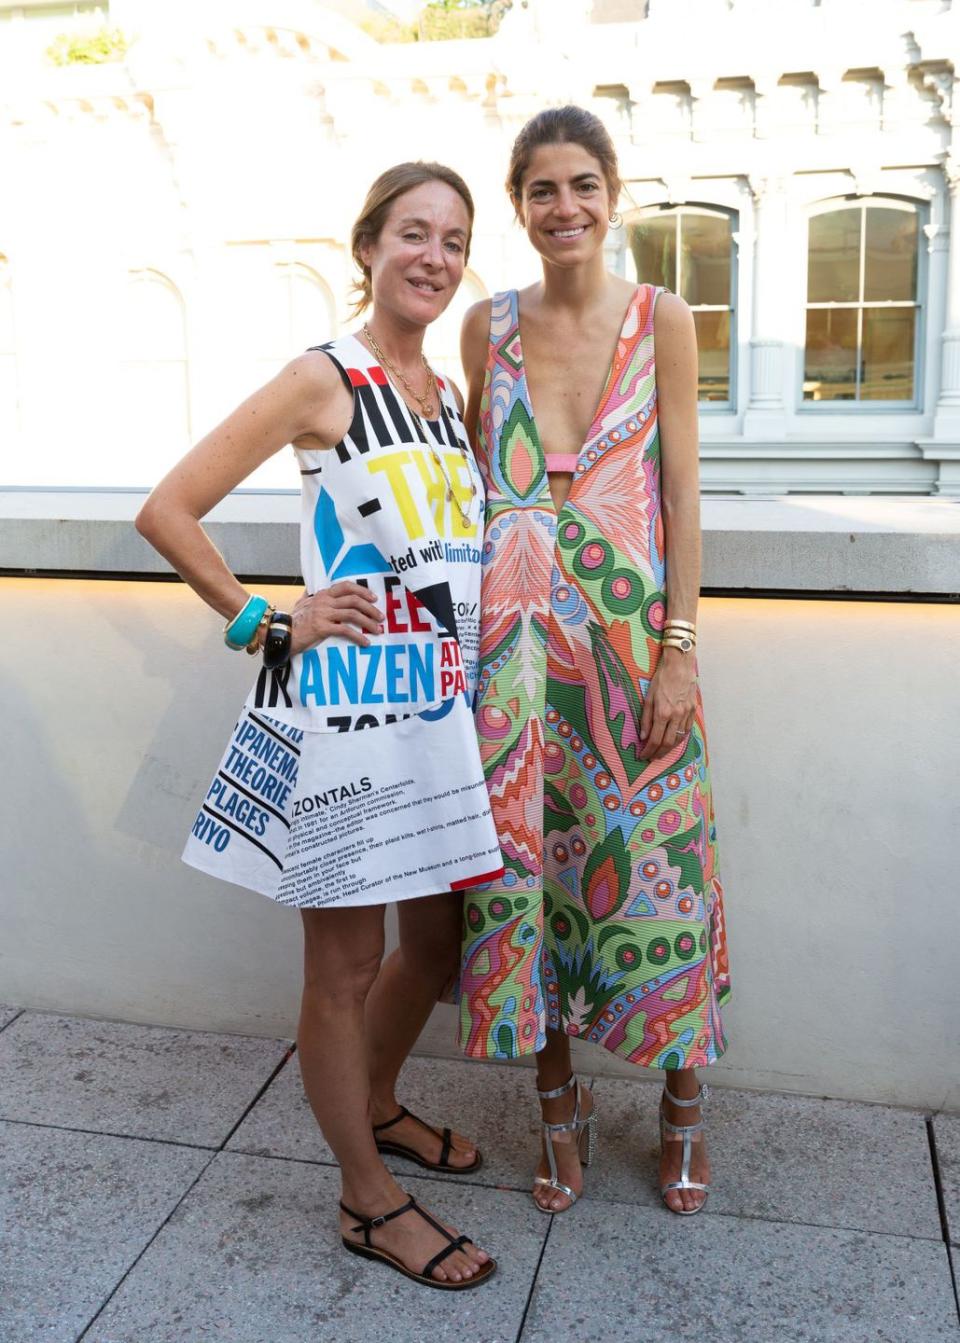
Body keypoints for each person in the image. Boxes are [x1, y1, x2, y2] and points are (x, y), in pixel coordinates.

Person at [136, 162, 500, 1289]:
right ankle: (365, 1196)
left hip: (437, 710)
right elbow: (168, 508)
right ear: (369, 246)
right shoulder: (321, 378)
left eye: (452, 239)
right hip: (344, 712)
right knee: (346, 963)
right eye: (412, 234)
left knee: (436, 946)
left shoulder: (446, 395)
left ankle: (376, 1104)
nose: (432, 256)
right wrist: (265, 616)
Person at [458, 107, 731, 1216]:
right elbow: (467, 487)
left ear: (613, 194)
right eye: (540, 190)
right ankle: (557, 1106)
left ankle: (680, 1103)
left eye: (581, 184)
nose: (562, 206)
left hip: (630, 646)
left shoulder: (663, 318)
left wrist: (678, 649)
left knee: (662, 875)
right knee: (529, 880)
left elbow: (679, 499)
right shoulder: (487, 328)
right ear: (519, 206)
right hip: (513, 653)